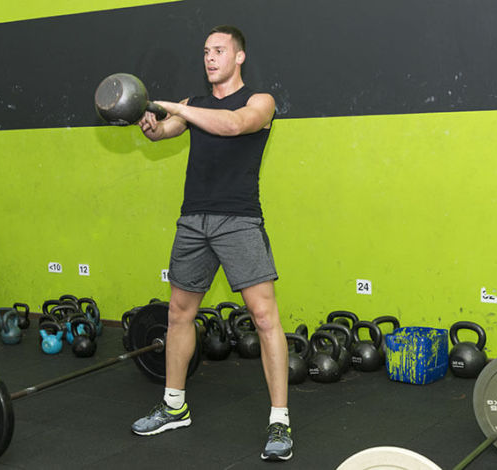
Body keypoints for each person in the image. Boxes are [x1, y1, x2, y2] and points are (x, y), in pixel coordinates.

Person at [131, 25, 293, 461]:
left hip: (239, 219)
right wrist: (151, 124)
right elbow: (164, 132)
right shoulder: (193, 105)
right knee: (180, 314)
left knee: (263, 316)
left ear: (239, 57)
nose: (210, 58)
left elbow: (233, 125)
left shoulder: (260, 102)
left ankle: (279, 420)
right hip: (193, 220)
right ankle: (173, 406)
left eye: (219, 51)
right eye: (206, 51)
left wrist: (170, 107)